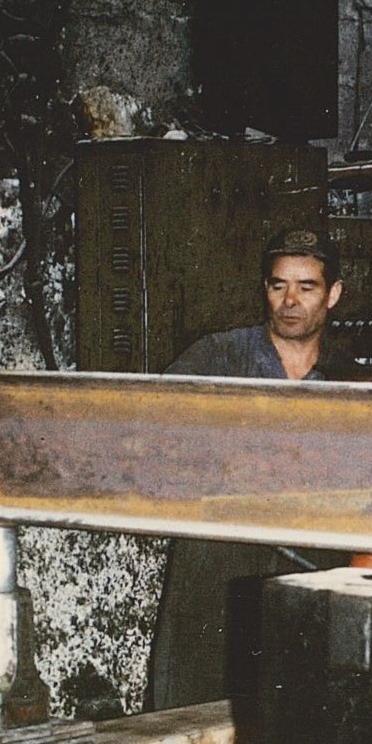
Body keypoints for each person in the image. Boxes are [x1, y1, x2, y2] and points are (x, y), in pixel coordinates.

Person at [148, 227, 345, 710]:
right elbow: (153, 427)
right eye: (279, 286)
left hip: (306, 565)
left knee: (294, 713)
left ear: (333, 294)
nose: (290, 301)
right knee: (194, 708)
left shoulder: (349, 377)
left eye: (306, 287)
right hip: (217, 564)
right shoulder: (218, 356)